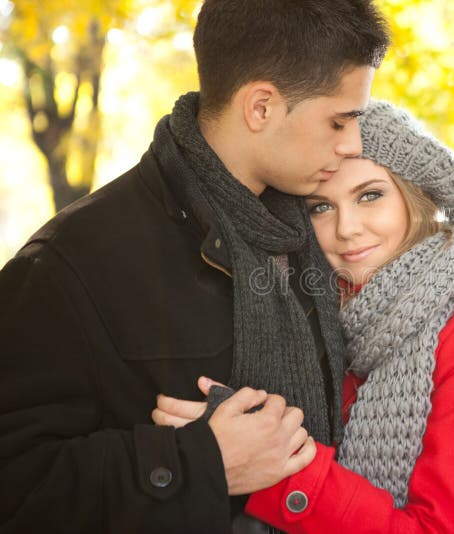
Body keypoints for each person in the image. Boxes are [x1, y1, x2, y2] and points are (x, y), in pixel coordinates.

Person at [0, 1, 389, 532]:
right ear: (261, 107)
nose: (353, 144)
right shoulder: (69, 263)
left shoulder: (317, 233)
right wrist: (197, 462)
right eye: (339, 120)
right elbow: (17, 483)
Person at [153, 100, 454, 532]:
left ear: (413, 196)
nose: (346, 228)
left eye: (370, 195)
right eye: (321, 207)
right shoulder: (319, 313)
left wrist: (273, 466)